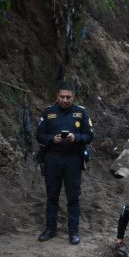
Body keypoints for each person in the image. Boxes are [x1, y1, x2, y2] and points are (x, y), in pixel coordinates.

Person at [36, 81, 94, 244]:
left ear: (73, 97)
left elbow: (89, 136)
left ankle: (73, 233)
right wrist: (51, 139)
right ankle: (50, 230)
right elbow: (39, 135)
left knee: (73, 197)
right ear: (57, 96)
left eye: (68, 97)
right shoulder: (48, 112)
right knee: (51, 196)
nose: (65, 100)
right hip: (52, 158)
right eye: (62, 97)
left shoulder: (81, 113)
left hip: (73, 158)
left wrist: (76, 138)